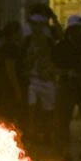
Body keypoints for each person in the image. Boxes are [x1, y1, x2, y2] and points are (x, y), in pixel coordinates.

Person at [53, 15, 81, 161]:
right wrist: (66, 73)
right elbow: (52, 68)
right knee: (64, 122)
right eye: (75, 30)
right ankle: (65, 153)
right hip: (67, 87)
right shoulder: (61, 47)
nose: (78, 33)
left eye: (80, 30)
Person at [23, 11, 57, 144]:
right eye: (34, 25)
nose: (36, 28)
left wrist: (49, 71)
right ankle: (32, 135)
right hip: (33, 79)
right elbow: (24, 61)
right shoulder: (27, 41)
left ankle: (48, 135)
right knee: (31, 108)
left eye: (39, 25)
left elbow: (54, 59)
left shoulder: (49, 41)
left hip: (47, 80)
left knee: (49, 110)